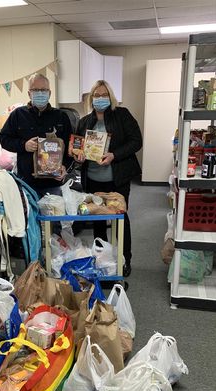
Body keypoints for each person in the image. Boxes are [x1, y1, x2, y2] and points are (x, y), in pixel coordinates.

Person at [74, 80, 142, 277]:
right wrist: (78, 155)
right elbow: (78, 147)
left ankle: (125, 259)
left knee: (120, 218)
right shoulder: (85, 121)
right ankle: (102, 258)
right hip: (93, 178)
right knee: (98, 220)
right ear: (91, 98)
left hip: (117, 178)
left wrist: (114, 155)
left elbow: (136, 141)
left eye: (104, 95)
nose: (100, 99)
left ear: (110, 97)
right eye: (96, 95)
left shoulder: (122, 115)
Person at [0, 73, 72, 197]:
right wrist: (24, 145)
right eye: (35, 90)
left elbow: (70, 148)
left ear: (49, 93)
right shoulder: (18, 115)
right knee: (29, 215)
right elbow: (4, 139)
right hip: (26, 183)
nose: (40, 93)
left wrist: (65, 166)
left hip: (53, 183)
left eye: (43, 90)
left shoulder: (61, 116)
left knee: (54, 215)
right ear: (29, 93)